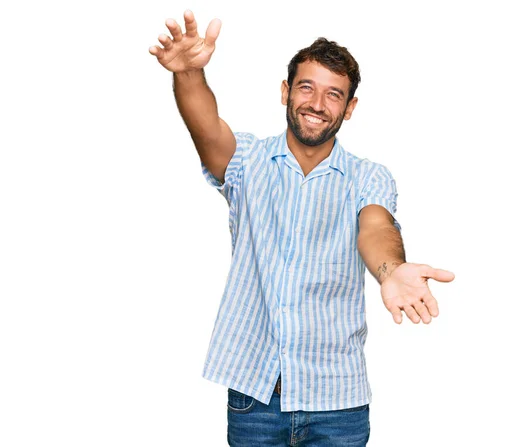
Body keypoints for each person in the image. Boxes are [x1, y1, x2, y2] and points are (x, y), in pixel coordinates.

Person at [149, 10, 455, 446]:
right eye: (306, 87)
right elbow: (207, 130)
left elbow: (374, 227)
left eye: (334, 95)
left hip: (338, 404)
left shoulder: (369, 177)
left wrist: (391, 270)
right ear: (285, 92)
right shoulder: (248, 162)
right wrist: (189, 75)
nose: (317, 103)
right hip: (255, 396)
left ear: (349, 109)